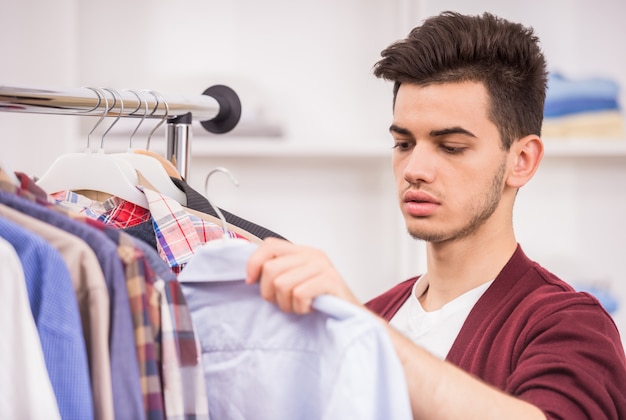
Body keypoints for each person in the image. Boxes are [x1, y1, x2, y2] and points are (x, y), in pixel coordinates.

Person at [245, 11, 626, 419]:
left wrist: (361, 330)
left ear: (522, 160)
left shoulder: (570, 325)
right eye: (404, 143)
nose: (414, 169)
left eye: (450, 147)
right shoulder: (376, 315)